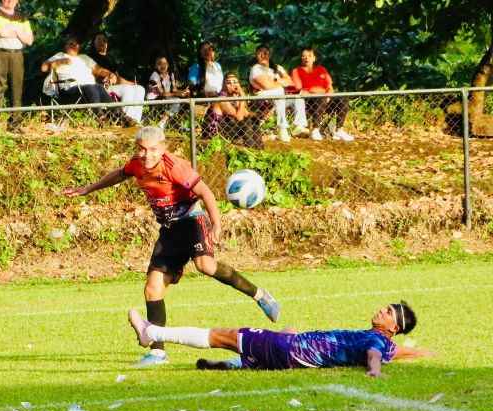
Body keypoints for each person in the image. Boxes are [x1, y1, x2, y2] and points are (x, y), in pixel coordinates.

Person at [62, 126, 280, 367]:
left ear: (163, 147)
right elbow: (119, 174)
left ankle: (260, 295)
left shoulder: (174, 167)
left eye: (153, 149)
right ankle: (157, 352)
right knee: (152, 289)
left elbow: (205, 192)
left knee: (205, 266)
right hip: (169, 231)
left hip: (192, 221)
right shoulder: (136, 164)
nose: (147, 155)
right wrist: (88, 189)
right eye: (142, 149)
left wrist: (216, 224)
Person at [128, 301, 425, 376]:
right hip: (296, 355)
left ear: (393, 326)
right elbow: (391, 353)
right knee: (254, 350)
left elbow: (374, 357)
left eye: (387, 312)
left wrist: (374, 372)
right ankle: (229, 366)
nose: (380, 310)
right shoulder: (385, 343)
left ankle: (151, 333)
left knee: (226, 335)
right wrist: (421, 354)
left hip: (291, 350)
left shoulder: (376, 344)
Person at [0, 0, 34, 132]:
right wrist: (19, 31)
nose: (10, 1)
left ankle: (15, 125)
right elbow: (2, 32)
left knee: (17, 90)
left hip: (17, 55)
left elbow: (29, 40)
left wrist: (13, 30)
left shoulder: (22, 16)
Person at [291, 47, 354, 141]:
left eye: (309, 56)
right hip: (309, 101)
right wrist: (316, 93)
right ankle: (315, 130)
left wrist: (328, 95)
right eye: (304, 56)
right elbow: (298, 88)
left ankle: (339, 130)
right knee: (320, 97)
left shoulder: (321, 69)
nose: (306, 58)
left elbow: (330, 87)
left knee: (342, 98)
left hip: (325, 99)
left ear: (314, 58)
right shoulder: (296, 71)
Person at [249, 45, 307, 143]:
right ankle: (282, 128)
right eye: (260, 53)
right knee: (279, 91)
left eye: (266, 52)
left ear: (269, 54)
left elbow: (291, 82)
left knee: (297, 98)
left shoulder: (277, 67)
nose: (263, 55)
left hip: (279, 97)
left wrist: (275, 81)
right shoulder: (256, 68)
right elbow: (266, 86)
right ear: (256, 55)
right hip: (262, 97)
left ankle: (299, 126)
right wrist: (281, 81)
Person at [90, 32, 146, 126]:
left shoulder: (110, 59)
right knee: (127, 89)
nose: (102, 42)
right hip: (100, 88)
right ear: (93, 42)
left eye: (104, 40)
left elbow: (117, 78)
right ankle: (124, 119)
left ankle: (135, 120)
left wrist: (132, 83)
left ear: (107, 44)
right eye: (99, 39)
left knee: (140, 88)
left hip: (115, 86)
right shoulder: (91, 57)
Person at [41, 36, 114, 106]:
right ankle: (99, 115)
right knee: (91, 87)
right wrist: (59, 62)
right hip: (70, 90)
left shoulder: (84, 58)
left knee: (100, 87)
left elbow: (99, 70)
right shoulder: (60, 56)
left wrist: (110, 74)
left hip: (90, 89)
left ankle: (119, 115)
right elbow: (43, 68)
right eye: (71, 44)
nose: (74, 45)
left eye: (76, 44)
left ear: (79, 47)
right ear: (65, 46)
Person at [201, 73, 263, 148]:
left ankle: (259, 148)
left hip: (226, 129)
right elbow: (239, 118)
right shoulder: (222, 99)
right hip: (214, 133)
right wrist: (242, 97)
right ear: (223, 85)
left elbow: (246, 114)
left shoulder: (234, 98)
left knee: (253, 121)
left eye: (235, 82)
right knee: (247, 123)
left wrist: (258, 116)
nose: (232, 85)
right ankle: (252, 148)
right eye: (228, 83)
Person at [147, 56, 190, 130]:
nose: (163, 66)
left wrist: (183, 91)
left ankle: (179, 123)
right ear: (155, 66)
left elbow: (174, 90)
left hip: (167, 98)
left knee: (186, 100)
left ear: (168, 65)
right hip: (155, 100)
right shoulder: (154, 76)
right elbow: (162, 93)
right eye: (159, 64)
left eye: (165, 63)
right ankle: (163, 121)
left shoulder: (170, 74)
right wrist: (178, 94)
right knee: (176, 100)